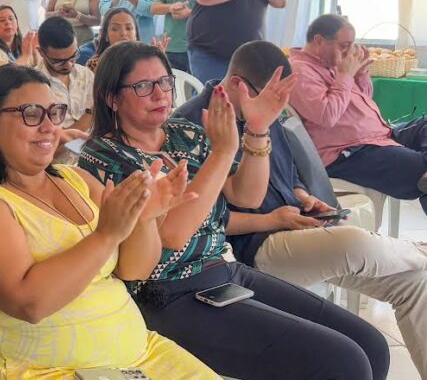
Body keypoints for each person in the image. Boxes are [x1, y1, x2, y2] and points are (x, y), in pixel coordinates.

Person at [77, 41, 388, 380]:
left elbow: (247, 194)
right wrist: (223, 153)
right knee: (343, 363)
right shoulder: (104, 157)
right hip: (168, 293)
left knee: (371, 344)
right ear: (111, 97)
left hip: (223, 271)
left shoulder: (184, 133)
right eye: (143, 86)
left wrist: (257, 129)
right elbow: (172, 236)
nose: (160, 94)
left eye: (165, 82)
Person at [0, 64, 215, 378]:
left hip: (140, 356)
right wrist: (106, 235)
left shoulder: (76, 179)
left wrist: (144, 218)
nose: (48, 126)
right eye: (31, 113)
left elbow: (135, 269)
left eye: (54, 112)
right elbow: (29, 303)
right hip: (48, 370)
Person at [176, 40, 427, 377]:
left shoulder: (264, 110)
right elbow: (203, 220)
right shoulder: (193, 125)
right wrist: (271, 219)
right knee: (356, 244)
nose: (279, 108)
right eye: (273, 100)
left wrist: (304, 196)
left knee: (414, 281)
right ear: (238, 84)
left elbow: (288, 172)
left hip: (296, 227)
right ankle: (417, 249)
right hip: (255, 246)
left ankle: (415, 258)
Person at [288, 14, 427, 214]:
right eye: (344, 45)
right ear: (319, 41)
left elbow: (362, 100)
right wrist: (345, 75)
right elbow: (327, 115)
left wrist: (360, 74)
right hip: (349, 151)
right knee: (418, 167)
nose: (350, 51)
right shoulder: (300, 72)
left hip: (380, 137)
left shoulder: (333, 63)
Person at [35, 17, 93, 160]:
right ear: (41, 53)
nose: (68, 65)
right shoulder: (34, 86)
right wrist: (91, 113)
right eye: (59, 61)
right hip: (59, 168)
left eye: (73, 56)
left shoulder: (86, 75)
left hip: (94, 159)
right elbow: (49, 146)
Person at [0, 5, 38, 75]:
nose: (8, 22)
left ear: (17, 25)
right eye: (2, 20)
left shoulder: (24, 46)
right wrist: (25, 56)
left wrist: (35, 52)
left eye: (11, 19)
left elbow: (36, 69)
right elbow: (7, 75)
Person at [81, 7, 142, 72]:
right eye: (115, 29)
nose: (123, 33)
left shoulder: (146, 61)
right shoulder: (96, 65)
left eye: (128, 28)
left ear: (136, 34)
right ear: (106, 35)